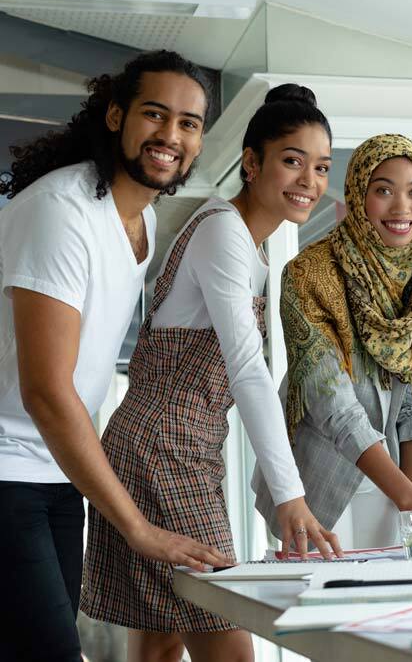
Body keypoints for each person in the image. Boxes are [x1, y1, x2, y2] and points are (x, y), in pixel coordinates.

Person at [80, 84, 341, 662]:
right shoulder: (224, 232)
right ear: (252, 163)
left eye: (321, 167)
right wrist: (290, 495)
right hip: (162, 451)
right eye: (292, 161)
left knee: (161, 637)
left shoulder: (251, 245)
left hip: (176, 447)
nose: (309, 181)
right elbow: (248, 371)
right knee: (225, 636)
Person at [0, 50, 226, 662]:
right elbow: (45, 390)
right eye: (155, 115)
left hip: (54, 476)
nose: (170, 136)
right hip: (7, 471)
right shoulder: (60, 212)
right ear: (116, 116)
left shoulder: (143, 223)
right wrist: (136, 527)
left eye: (188, 123)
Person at [252, 133, 412, 550]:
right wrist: (411, 501)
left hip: (390, 486)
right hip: (314, 490)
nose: (402, 208)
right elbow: (334, 406)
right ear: (358, 196)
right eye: (383, 191)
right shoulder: (309, 273)